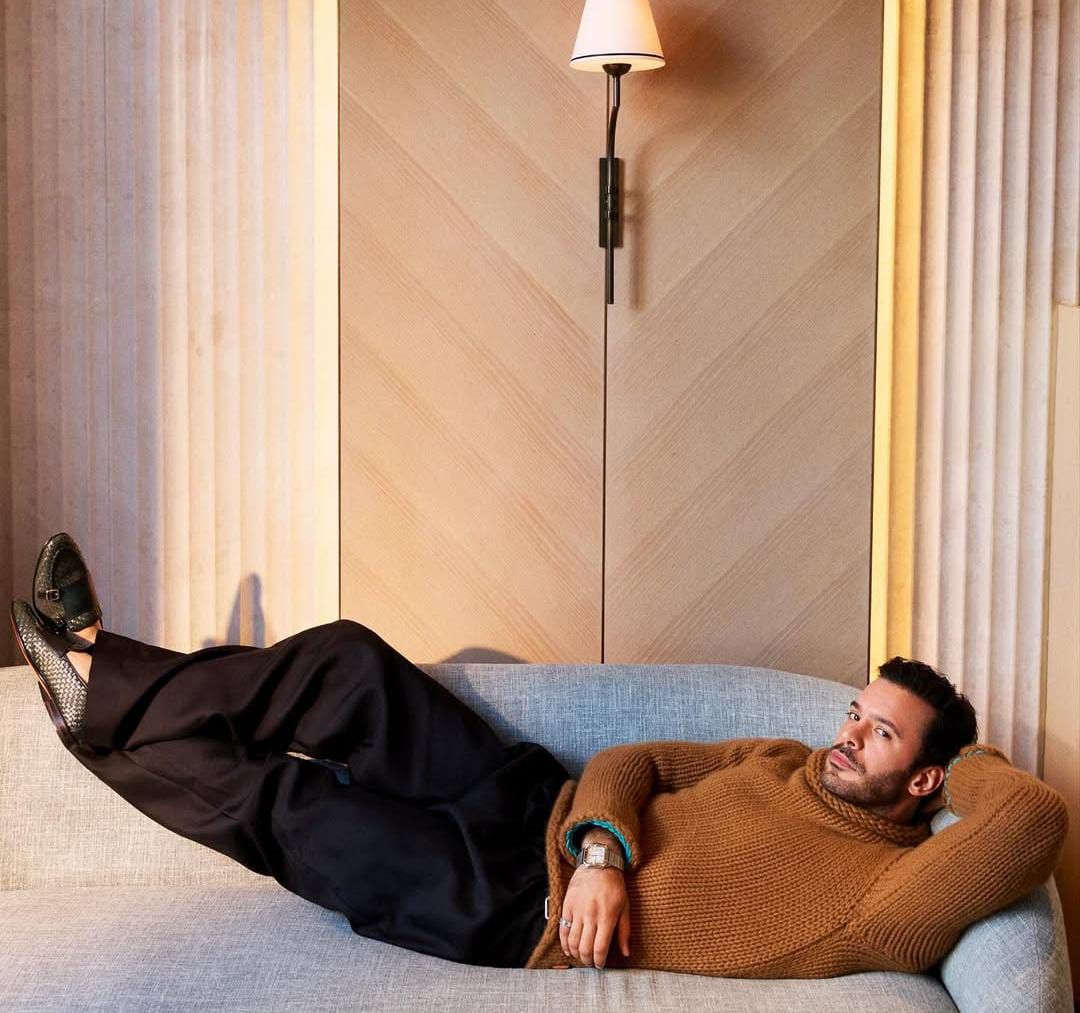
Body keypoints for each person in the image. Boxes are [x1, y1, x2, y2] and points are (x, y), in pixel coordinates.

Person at [10, 532, 1069, 979]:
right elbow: (635, 760)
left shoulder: (889, 892)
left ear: (927, 778)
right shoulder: (786, 757)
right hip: (535, 801)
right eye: (855, 711)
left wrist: (965, 756)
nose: (846, 735)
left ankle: (94, 685)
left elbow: (1034, 817)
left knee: (301, 811)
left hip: (516, 912)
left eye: (879, 732)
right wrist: (605, 848)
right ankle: (101, 680)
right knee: (348, 661)